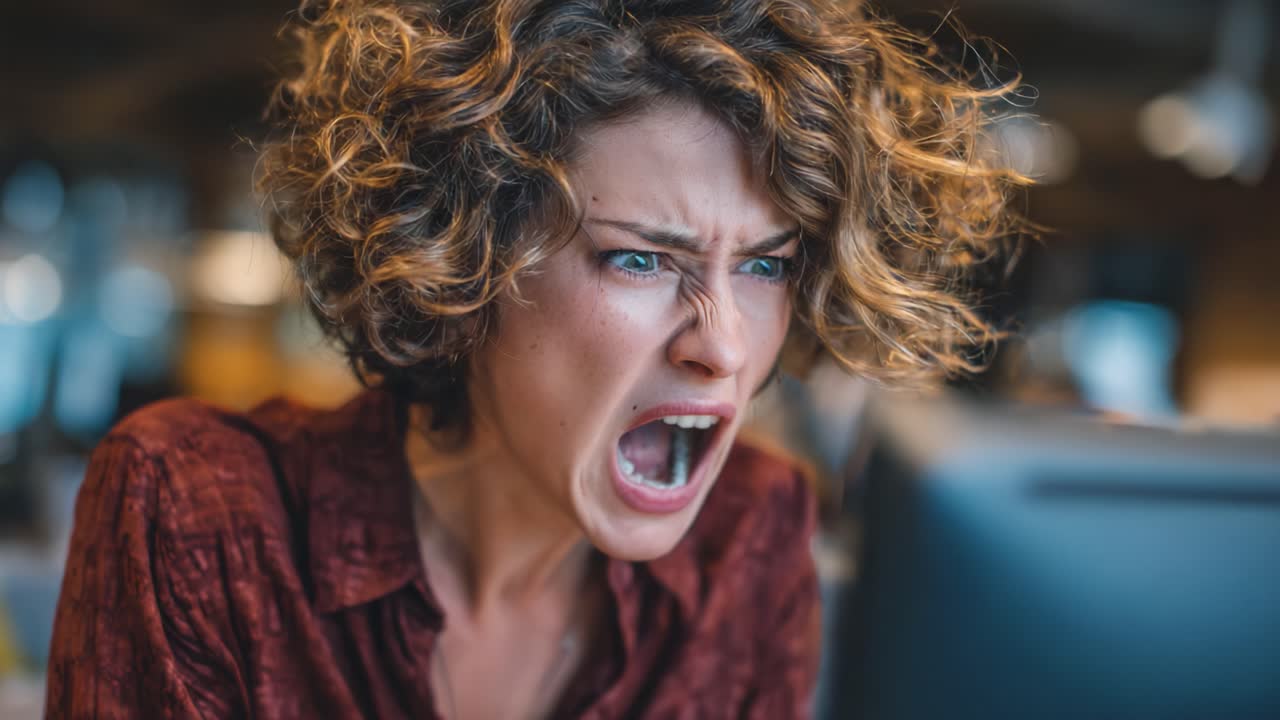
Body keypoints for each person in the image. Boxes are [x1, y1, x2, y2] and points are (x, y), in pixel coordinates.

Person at [45, 0, 1024, 717]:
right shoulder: (202, 516)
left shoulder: (748, 541)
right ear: (464, 266)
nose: (723, 344)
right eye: (639, 259)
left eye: (765, 266)